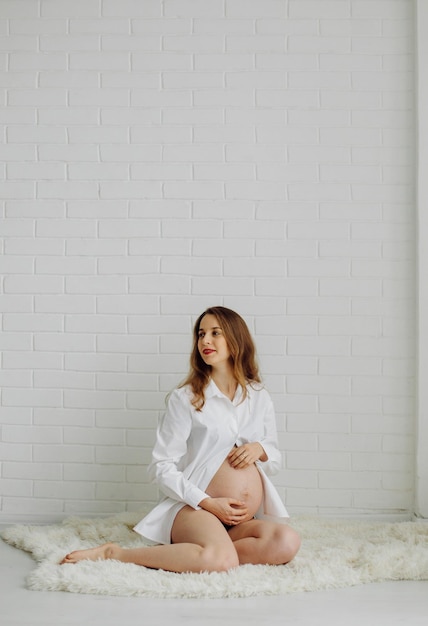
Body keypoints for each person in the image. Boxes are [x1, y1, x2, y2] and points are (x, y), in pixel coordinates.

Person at [61, 306, 300, 572]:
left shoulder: (258, 395)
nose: (204, 341)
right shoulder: (187, 398)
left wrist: (261, 449)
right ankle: (116, 553)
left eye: (215, 333)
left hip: (240, 519)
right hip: (196, 510)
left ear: (236, 339)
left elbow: (275, 460)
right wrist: (208, 502)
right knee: (221, 560)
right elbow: (160, 467)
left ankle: (208, 551)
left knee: (286, 541)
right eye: (201, 334)